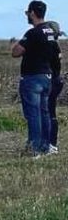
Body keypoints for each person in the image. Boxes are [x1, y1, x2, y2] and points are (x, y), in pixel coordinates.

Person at [12, 0, 55, 158]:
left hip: (32, 77)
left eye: (27, 13)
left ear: (32, 13)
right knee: (44, 112)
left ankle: (34, 148)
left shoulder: (33, 33)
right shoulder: (49, 31)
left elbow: (16, 52)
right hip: (46, 75)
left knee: (33, 114)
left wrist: (17, 44)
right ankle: (45, 145)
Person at [46, 21, 63, 153]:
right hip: (56, 80)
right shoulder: (56, 46)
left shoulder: (51, 46)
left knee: (49, 112)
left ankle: (51, 143)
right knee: (51, 112)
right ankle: (52, 142)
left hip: (52, 80)